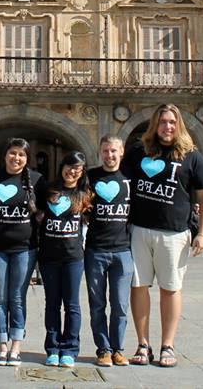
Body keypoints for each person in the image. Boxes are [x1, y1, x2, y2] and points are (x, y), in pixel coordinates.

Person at [125, 103, 203, 369]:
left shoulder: (191, 156)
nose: (168, 127)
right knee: (138, 286)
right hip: (140, 229)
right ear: (155, 125)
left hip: (175, 232)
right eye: (163, 122)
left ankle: (167, 345)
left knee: (170, 288)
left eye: (172, 122)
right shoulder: (138, 152)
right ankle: (143, 344)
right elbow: (120, 180)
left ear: (179, 126)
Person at [0, 137, 46, 367]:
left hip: (24, 249)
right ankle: (1, 346)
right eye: (12, 153)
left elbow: (44, 210)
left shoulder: (37, 180)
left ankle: (16, 346)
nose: (16, 158)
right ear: (5, 155)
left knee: (17, 297)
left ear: (26, 159)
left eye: (21, 155)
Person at [85, 136, 133, 368]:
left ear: (121, 152)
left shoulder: (129, 178)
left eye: (113, 151)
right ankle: (103, 349)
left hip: (124, 250)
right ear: (100, 152)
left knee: (121, 304)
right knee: (97, 305)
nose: (109, 155)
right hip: (95, 249)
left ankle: (118, 349)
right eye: (105, 151)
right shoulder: (90, 177)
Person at [40, 151, 90, 369]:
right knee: (51, 304)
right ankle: (52, 348)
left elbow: (91, 221)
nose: (72, 171)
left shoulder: (85, 194)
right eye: (69, 166)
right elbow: (37, 216)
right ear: (62, 167)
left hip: (73, 257)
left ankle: (69, 348)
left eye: (77, 169)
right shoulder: (49, 190)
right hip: (49, 256)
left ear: (81, 172)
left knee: (72, 304)